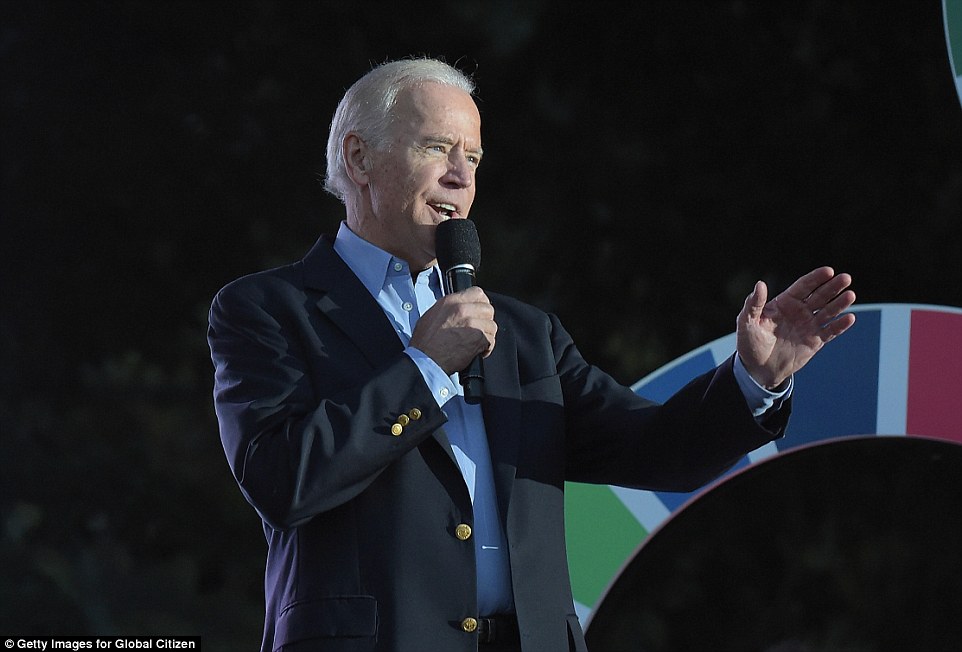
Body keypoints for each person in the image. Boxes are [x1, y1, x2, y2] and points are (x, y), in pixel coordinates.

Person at [208, 58, 856, 652]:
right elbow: (281, 482)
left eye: (474, 157)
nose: (461, 175)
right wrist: (427, 370)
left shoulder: (522, 333)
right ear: (359, 158)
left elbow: (662, 448)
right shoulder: (267, 309)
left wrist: (755, 379)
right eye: (438, 148)